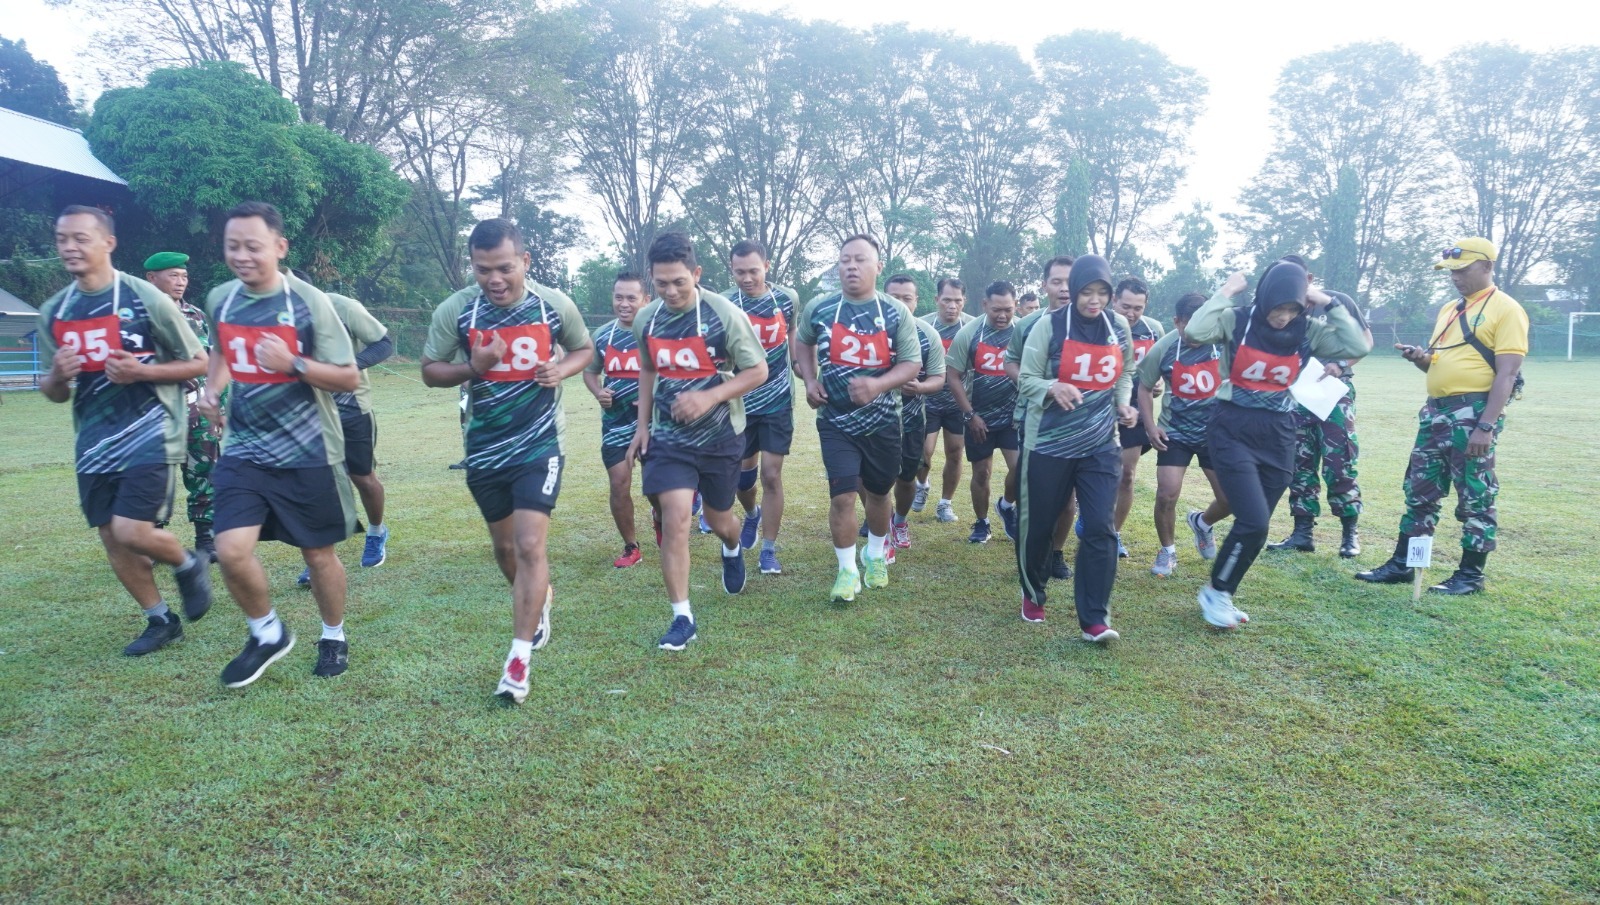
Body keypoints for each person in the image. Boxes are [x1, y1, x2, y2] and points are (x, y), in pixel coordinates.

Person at [421, 218, 593, 702]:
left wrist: (561, 368)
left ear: (524, 262)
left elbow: (584, 348)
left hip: (540, 445)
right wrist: (471, 368)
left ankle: (517, 662)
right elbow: (431, 371)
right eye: (482, 270)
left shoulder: (553, 304)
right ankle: (539, 600)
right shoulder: (457, 310)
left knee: (530, 545)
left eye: (503, 268)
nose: (494, 279)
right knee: (506, 552)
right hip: (484, 448)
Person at [198, 201, 361, 686]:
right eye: (233, 246)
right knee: (229, 549)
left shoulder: (310, 303)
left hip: (308, 452)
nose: (242, 256)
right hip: (245, 449)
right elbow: (220, 347)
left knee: (317, 555)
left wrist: (294, 363)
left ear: (279, 246)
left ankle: (333, 633)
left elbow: (349, 377)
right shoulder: (221, 299)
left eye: (253, 246)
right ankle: (266, 632)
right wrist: (212, 389)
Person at [40, 207, 212, 656]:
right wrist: (58, 375)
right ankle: (160, 620)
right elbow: (54, 392)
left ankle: (188, 562)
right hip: (93, 441)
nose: (70, 247)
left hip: (151, 430)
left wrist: (141, 372)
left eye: (80, 238)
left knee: (133, 530)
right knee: (112, 537)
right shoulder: (55, 311)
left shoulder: (144, 298)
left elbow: (198, 362)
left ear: (108, 243)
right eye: (62, 239)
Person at [1183, 262, 1370, 629]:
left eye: (1292, 309)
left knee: (1257, 524)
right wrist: (1226, 292)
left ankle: (1221, 591)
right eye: (1277, 309)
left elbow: (1355, 344)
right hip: (1232, 426)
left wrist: (1327, 302)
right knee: (1252, 520)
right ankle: (1216, 593)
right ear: (1264, 299)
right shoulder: (1237, 320)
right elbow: (1195, 330)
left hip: (1281, 431)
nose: (1284, 317)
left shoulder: (1309, 330)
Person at [1356, 237, 1527, 595]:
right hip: (1435, 412)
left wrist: (1486, 426)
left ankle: (1470, 575)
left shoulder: (1506, 309)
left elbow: (1507, 375)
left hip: (1474, 413)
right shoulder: (1450, 309)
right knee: (1420, 491)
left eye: (1462, 270)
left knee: (1475, 494)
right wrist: (1421, 360)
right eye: (1451, 272)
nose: (1455, 277)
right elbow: (1437, 363)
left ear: (1487, 267)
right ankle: (1407, 563)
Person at [628, 232, 766, 650]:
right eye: (661, 283)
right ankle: (682, 617)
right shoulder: (646, 319)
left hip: (721, 437)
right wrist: (642, 425)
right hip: (669, 437)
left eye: (679, 282)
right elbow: (648, 369)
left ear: (696, 274)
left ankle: (731, 547)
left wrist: (709, 395)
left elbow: (757, 371)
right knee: (676, 520)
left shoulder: (724, 315)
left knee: (722, 521)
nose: (670, 292)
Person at [1014, 255, 1137, 640]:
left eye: (1103, 292)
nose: (1094, 300)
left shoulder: (1118, 326)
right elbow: (1026, 377)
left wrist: (1123, 401)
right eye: (1087, 291)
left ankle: (1095, 619)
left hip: (1100, 444)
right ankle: (1033, 592)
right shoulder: (1048, 326)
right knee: (1040, 526)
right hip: (1048, 442)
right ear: (1075, 291)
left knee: (1100, 526)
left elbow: (1127, 369)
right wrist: (1051, 387)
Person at [795, 234, 921, 601]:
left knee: (880, 494)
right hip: (835, 421)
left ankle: (876, 554)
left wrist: (878, 386)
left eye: (861, 259)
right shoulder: (820, 307)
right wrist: (810, 377)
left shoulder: (895, 312)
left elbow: (912, 363)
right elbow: (802, 342)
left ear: (878, 267)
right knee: (843, 497)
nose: (851, 266)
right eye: (845, 259)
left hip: (883, 422)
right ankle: (847, 571)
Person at [292, 273, 394, 584]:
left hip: (350, 408)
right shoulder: (276, 316)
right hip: (306, 411)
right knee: (317, 482)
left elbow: (384, 343)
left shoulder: (342, 307)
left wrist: (350, 366)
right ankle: (320, 558)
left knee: (362, 478)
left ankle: (377, 532)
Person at [1268, 256, 1372, 558]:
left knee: (1340, 462)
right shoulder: (1276, 308)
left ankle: (1349, 533)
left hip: (1333, 393)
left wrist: (1340, 363)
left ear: (1309, 278)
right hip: (1296, 394)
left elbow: (1364, 339)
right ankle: (1302, 533)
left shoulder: (1336, 302)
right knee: (1298, 462)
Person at [1136, 291, 1231, 578]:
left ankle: (1202, 523)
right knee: (1166, 494)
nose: (1193, 336)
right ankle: (1168, 551)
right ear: (1176, 321)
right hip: (1174, 432)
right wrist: (1150, 427)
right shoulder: (1163, 348)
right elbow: (1144, 386)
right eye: (1186, 328)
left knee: (1231, 499)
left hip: (1215, 434)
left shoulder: (1224, 342)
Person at [724, 240, 798, 575]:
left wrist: (796, 360)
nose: (747, 278)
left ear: (766, 266)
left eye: (754, 270)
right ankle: (751, 515)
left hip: (778, 400)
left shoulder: (787, 298)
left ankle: (768, 549)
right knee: (743, 482)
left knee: (771, 474)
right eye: (740, 272)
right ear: (732, 270)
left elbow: (792, 329)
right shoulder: (725, 303)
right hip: (739, 404)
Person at [143, 250, 222, 563]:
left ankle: (207, 538)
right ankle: (154, 541)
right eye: (173, 275)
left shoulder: (195, 315)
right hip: (155, 407)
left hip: (195, 406)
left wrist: (218, 404)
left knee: (204, 470)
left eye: (184, 276)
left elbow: (214, 361)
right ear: (152, 278)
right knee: (155, 474)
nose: (180, 282)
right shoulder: (137, 315)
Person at [1006, 256, 1078, 581]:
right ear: (1045, 285)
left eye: (1070, 281)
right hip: (1034, 421)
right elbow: (1011, 363)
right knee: (1036, 497)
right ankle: (1031, 549)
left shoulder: (1098, 326)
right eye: (1057, 281)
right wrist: (1040, 386)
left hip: (1080, 425)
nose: (1064, 289)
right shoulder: (1028, 325)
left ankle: (1057, 552)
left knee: (1067, 498)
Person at [582, 272, 648, 568]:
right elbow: (589, 371)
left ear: (645, 299)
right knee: (619, 485)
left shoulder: (656, 333)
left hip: (654, 424)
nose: (624, 303)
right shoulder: (602, 336)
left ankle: (662, 522)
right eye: (619, 297)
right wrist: (599, 392)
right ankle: (631, 547)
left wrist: (654, 396)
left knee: (658, 490)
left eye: (631, 297)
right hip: (615, 425)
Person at [946, 281, 1019, 544]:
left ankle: (1007, 506)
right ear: (985, 304)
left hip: (1013, 418)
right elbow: (953, 376)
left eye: (1008, 309)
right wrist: (970, 415)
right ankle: (982, 523)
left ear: (1016, 306)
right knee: (981, 473)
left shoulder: (1022, 331)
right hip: (979, 418)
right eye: (996, 309)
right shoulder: (970, 333)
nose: (1002, 315)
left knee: (1021, 469)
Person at [883, 274, 946, 555]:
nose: (899, 303)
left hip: (910, 420)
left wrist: (920, 386)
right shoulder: (865, 331)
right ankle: (880, 519)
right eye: (893, 297)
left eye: (906, 298)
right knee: (867, 477)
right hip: (871, 420)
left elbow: (939, 379)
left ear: (916, 301)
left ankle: (899, 521)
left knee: (907, 478)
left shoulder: (927, 335)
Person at [1110, 277, 1164, 559]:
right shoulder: (1099, 324)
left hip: (1134, 409)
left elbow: (1161, 370)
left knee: (1126, 476)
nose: (1131, 313)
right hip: (1097, 407)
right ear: (1114, 300)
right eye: (1126, 306)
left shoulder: (1153, 330)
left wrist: (1158, 386)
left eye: (1138, 308)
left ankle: (1113, 534)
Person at [914, 278, 974, 522]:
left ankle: (945, 503)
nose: (952, 305)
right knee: (923, 452)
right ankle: (922, 484)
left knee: (955, 453)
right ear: (937, 299)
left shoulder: (972, 327)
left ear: (964, 301)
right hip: (927, 400)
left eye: (957, 300)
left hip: (958, 402)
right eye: (947, 300)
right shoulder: (923, 325)